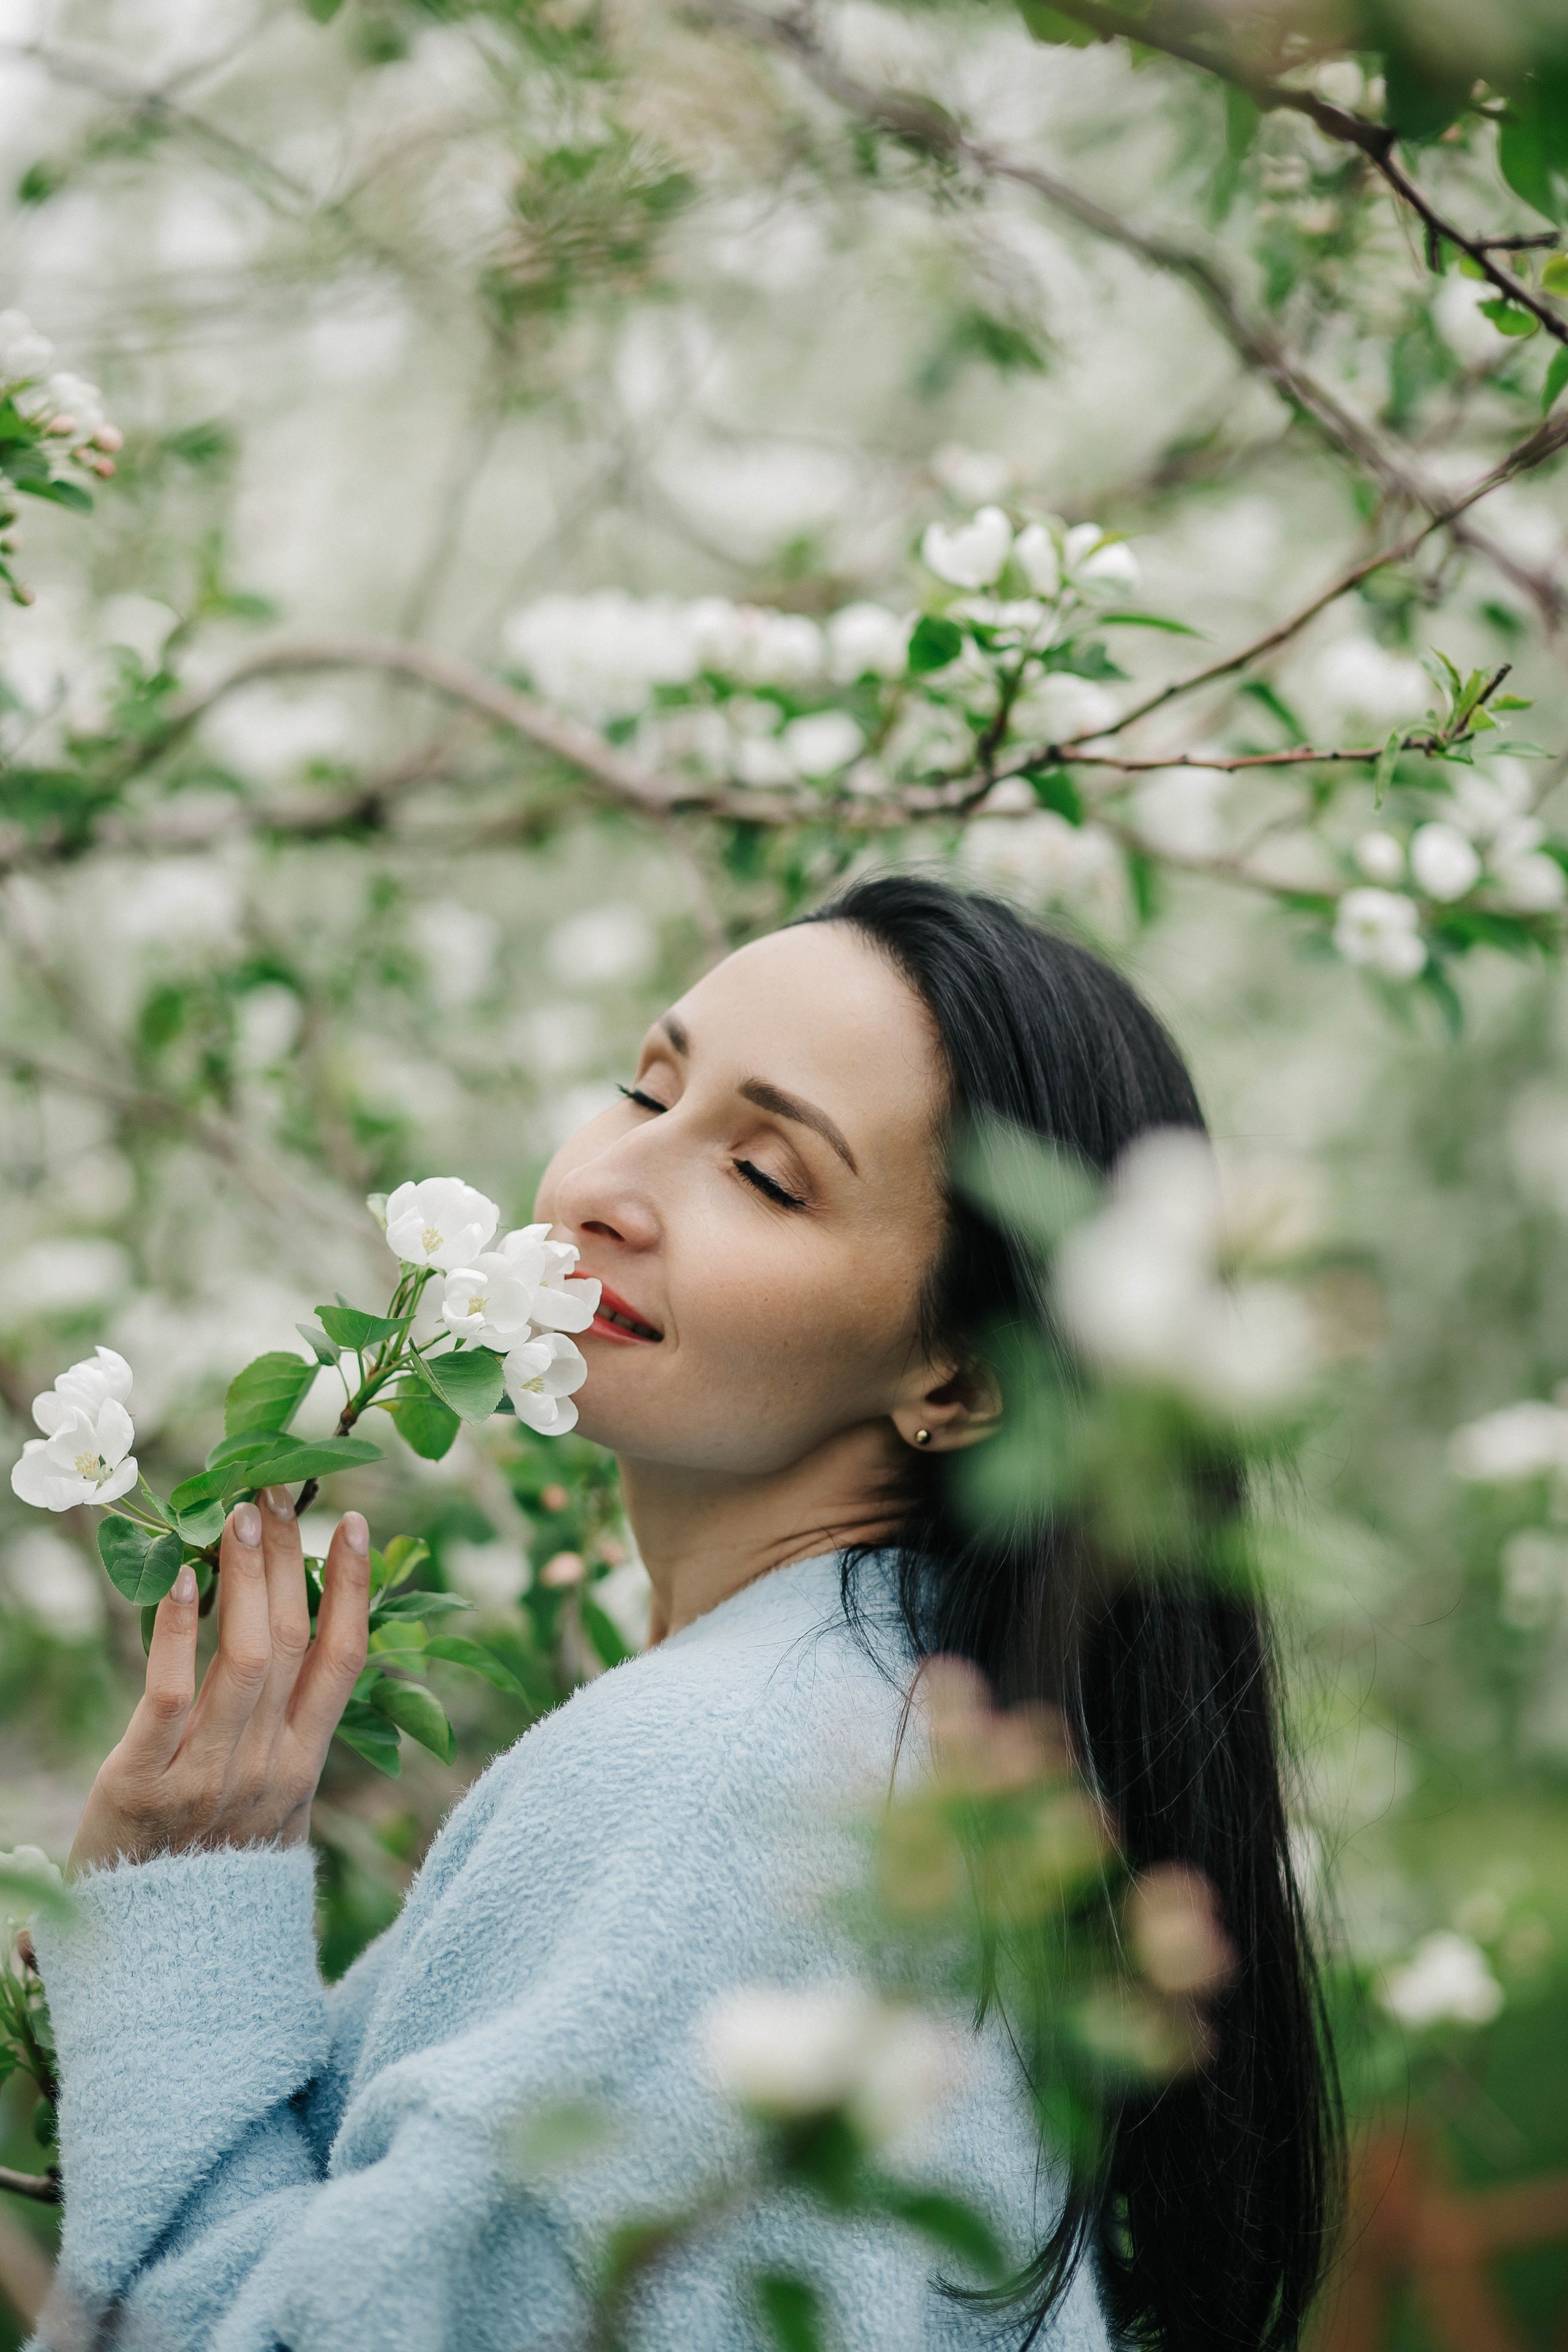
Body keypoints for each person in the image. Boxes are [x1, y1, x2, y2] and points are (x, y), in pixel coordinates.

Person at [36, 875, 1336, 2352]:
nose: (603, 1183)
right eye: (640, 1087)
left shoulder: (720, 1778)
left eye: (767, 1174)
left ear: (959, 1382)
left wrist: (169, 1923)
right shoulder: (884, 1740)